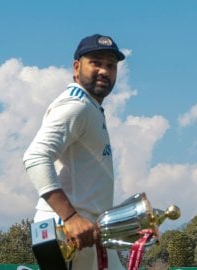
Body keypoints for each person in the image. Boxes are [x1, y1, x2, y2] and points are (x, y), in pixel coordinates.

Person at [23, 34, 126, 270]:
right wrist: (70, 217)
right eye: (96, 62)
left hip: (89, 228)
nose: (104, 71)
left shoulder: (90, 106)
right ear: (77, 67)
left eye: (111, 65)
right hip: (70, 229)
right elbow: (36, 157)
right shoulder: (76, 105)